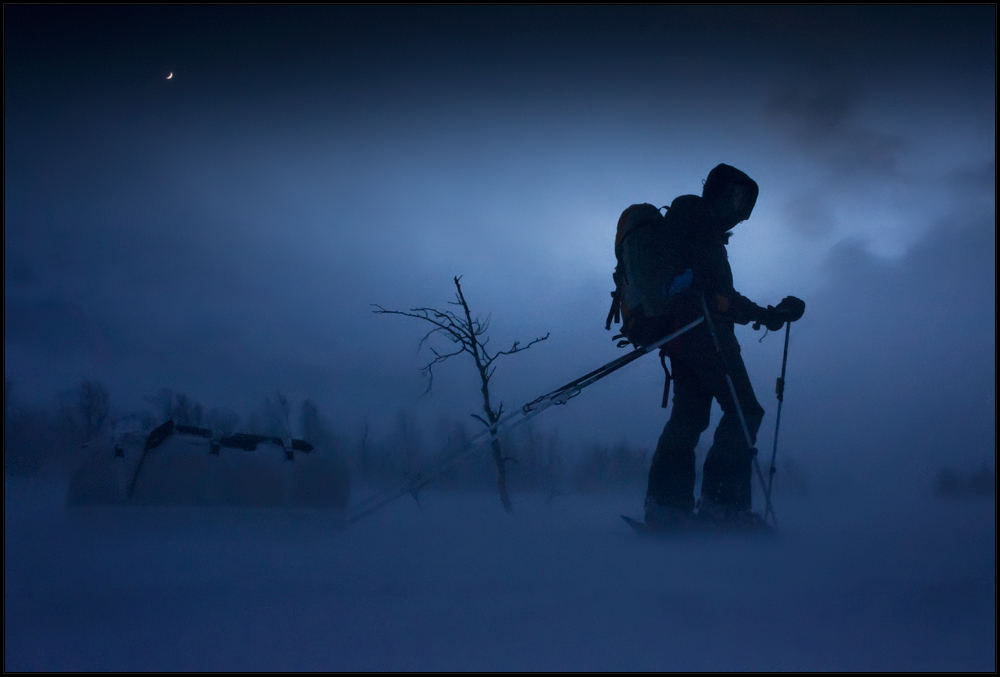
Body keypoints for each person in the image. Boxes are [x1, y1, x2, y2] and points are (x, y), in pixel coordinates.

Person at [643, 164, 805, 529]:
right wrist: (766, 314)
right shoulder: (695, 220)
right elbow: (710, 293)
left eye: (746, 205)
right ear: (718, 193)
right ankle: (722, 506)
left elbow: (719, 295)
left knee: (689, 418)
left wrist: (768, 314)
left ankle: (667, 505)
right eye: (736, 200)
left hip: (684, 338)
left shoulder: (697, 227)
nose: (740, 213)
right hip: (705, 336)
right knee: (745, 411)